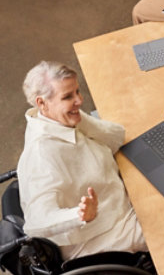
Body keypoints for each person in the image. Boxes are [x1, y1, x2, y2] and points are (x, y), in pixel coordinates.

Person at [16, 61, 147, 261]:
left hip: (118, 197)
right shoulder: (41, 155)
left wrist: (80, 119)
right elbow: (36, 223)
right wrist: (79, 215)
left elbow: (117, 136)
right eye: (68, 97)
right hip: (101, 233)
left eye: (77, 91)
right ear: (42, 103)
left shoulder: (58, 118)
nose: (79, 100)